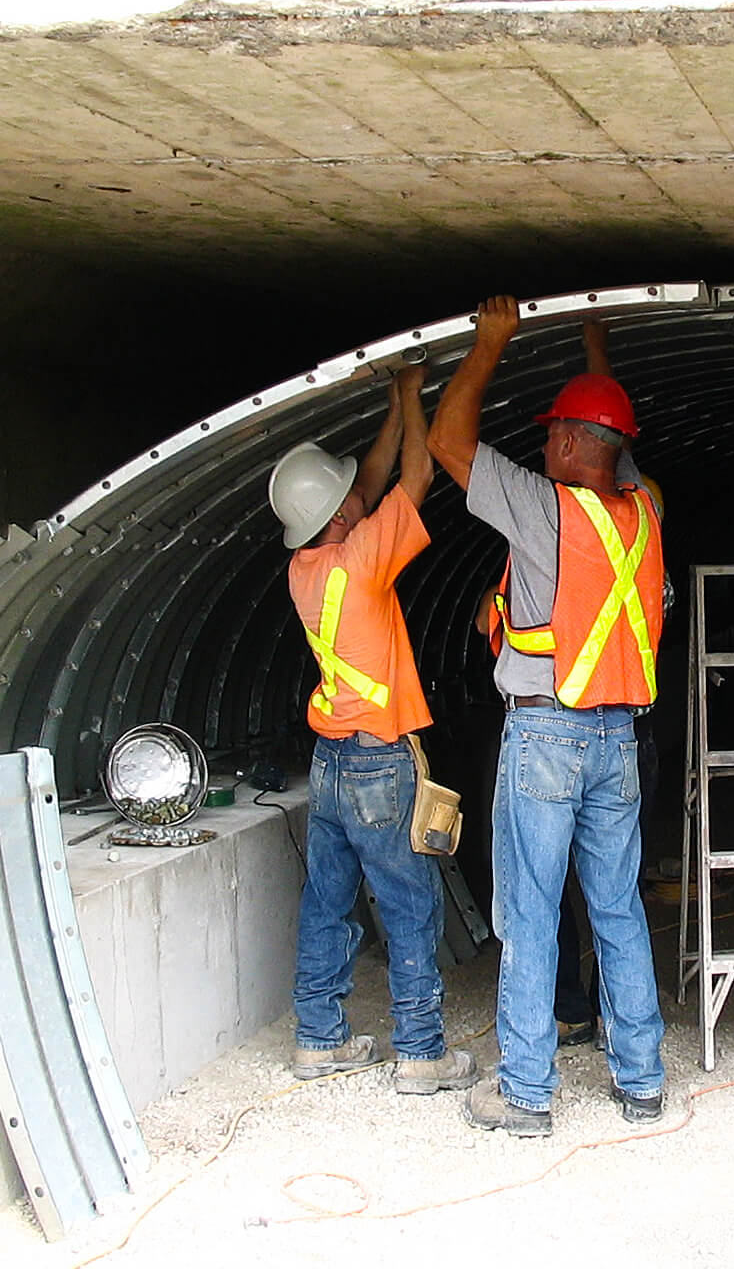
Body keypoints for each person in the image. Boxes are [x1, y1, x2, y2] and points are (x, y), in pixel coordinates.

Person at [428, 295, 666, 1137]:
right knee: (617, 906)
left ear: (567, 442)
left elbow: (447, 443)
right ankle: (641, 1079)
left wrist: (490, 341)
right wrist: (596, 350)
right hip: (617, 740)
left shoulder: (544, 507)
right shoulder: (646, 513)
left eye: (551, 433)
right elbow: (616, 441)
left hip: (546, 736)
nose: (541, 445)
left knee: (528, 911)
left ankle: (526, 1092)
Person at [267, 365, 479, 1096]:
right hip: (377, 766)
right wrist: (417, 401)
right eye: (348, 497)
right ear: (338, 518)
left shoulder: (307, 563)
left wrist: (397, 400)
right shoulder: (362, 563)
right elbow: (415, 474)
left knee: (327, 901)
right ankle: (421, 1053)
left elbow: (371, 481)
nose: (360, 496)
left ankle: (317, 1039)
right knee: (410, 903)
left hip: (329, 763)